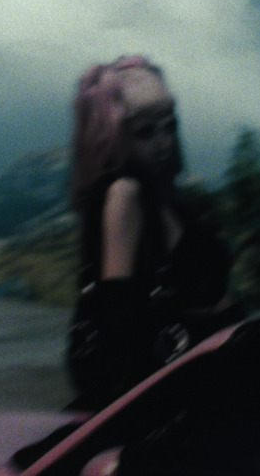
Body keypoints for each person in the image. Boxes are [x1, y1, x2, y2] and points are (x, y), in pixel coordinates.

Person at [65, 56, 238, 410]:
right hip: (182, 380)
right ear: (112, 137)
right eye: (145, 132)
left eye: (169, 127)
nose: (163, 142)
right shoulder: (125, 194)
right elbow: (118, 311)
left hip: (211, 362)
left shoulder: (165, 197)